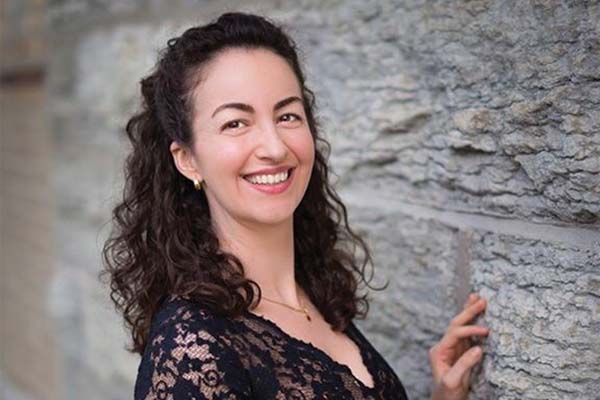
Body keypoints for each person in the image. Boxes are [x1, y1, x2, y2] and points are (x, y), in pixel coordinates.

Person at [101, 12, 490, 400]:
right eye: (236, 123)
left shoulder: (314, 295)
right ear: (187, 159)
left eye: (287, 115)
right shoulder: (193, 347)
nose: (274, 147)